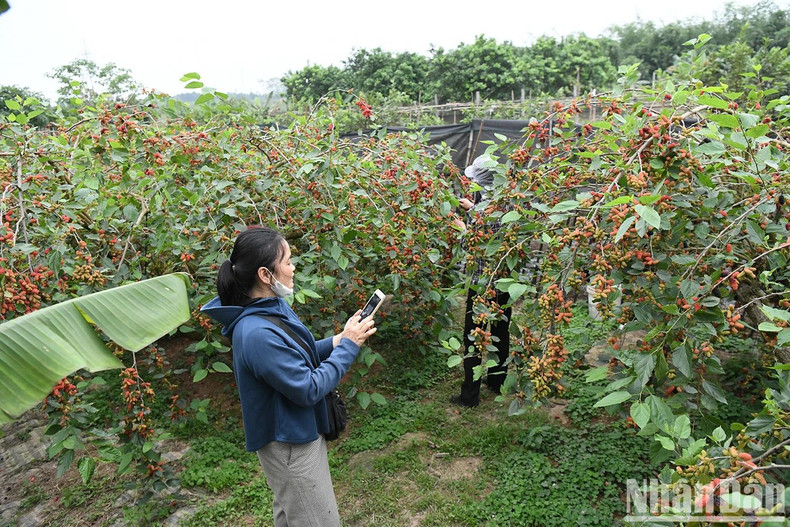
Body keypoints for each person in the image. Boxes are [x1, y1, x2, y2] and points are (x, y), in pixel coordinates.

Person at [201, 226, 376, 527]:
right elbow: (307, 387)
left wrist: (338, 340)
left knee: (292, 515)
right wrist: (348, 347)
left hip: (295, 432)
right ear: (265, 275)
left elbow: (297, 354)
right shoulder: (255, 333)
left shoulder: (270, 307)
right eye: (287, 261)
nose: (293, 268)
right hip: (290, 446)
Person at [450, 155, 512, 408]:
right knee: (500, 333)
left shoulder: (480, 214)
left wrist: (461, 228)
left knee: (473, 338)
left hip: (482, 285)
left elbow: (474, 247)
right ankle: (497, 381)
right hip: (504, 283)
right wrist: (471, 209)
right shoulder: (506, 206)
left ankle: (469, 396)